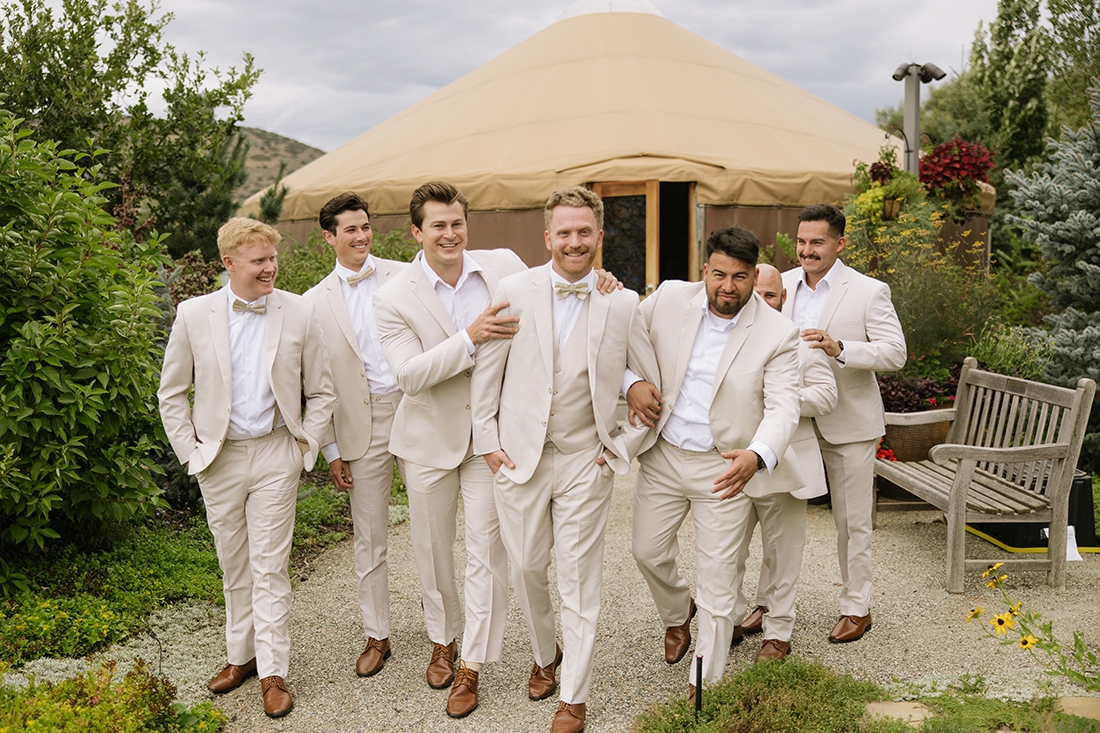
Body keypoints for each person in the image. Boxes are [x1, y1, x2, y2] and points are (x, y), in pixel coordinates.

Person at [373, 181, 620, 719]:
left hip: (496, 443)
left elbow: (561, 279)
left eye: (457, 222)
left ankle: (473, 666)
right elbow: (410, 377)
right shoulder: (391, 296)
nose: (450, 233)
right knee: (434, 552)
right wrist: (470, 336)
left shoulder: (502, 265)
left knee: (490, 555)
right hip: (430, 440)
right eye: (438, 225)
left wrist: (602, 277)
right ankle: (444, 639)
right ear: (417, 232)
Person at [470, 186, 658, 733]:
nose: (574, 243)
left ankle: (573, 695)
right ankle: (544, 652)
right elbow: (489, 372)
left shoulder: (622, 303)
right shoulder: (513, 289)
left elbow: (651, 388)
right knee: (527, 565)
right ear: (547, 236)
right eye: (564, 232)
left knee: (579, 577)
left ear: (600, 237)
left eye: (585, 233)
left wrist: (617, 448)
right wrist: (489, 443)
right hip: (519, 458)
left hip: (585, 459)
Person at [158, 218, 335, 719]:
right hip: (219, 458)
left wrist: (307, 446)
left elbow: (322, 391)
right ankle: (243, 657)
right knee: (233, 564)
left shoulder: (298, 311)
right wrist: (192, 453)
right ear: (228, 263)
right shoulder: (193, 314)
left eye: (272, 259)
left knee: (270, 566)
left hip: (277, 454)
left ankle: (275, 671)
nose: (270, 268)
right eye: (259, 261)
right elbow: (171, 393)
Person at [630, 227, 804, 696]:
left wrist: (757, 454)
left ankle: (704, 682)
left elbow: (785, 406)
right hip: (663, 455)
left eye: (741, 277)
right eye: (720, 274)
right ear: (705, 269)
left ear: (755, 277)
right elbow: (619, 336)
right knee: (646, 551)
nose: (728, 286)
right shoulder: (668, 298)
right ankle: (675, 613)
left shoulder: (778, 333)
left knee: (718, 577)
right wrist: (631, 382)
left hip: (724, 466)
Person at [781, 203, 906, 643]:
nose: (806, 251)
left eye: (817, 242)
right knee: (772, 516)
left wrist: (840, 348)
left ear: (840, 243)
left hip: (849, 423)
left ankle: (857, 607)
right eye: (801, 241)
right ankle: (766, 605)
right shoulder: (780, 285)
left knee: (852, 522)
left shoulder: (869, 290)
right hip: (790, 421)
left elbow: (895, 352)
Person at [303, 192, 408, 678]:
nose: (362, 236)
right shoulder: (311, 303)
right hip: (357, 428)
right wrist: (329, 448)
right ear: (329, 237)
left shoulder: (406, 274)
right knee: (369, 537)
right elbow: (316, 383)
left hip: (415, 410)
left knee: (434, 531)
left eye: (365, 226)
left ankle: (444, 639)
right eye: (350, 229)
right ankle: (377, 634)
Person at [731, 263, 837, 662]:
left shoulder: (802, 341)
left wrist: (783, 397)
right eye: (755, 293)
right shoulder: (722, 336)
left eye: (770, 295)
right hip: (734, 463)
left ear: (784, 297)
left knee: (783, 553)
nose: (761, 301)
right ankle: (729, 620)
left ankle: (778, 632)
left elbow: (827, 397)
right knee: (728, 551)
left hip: (787, 462)